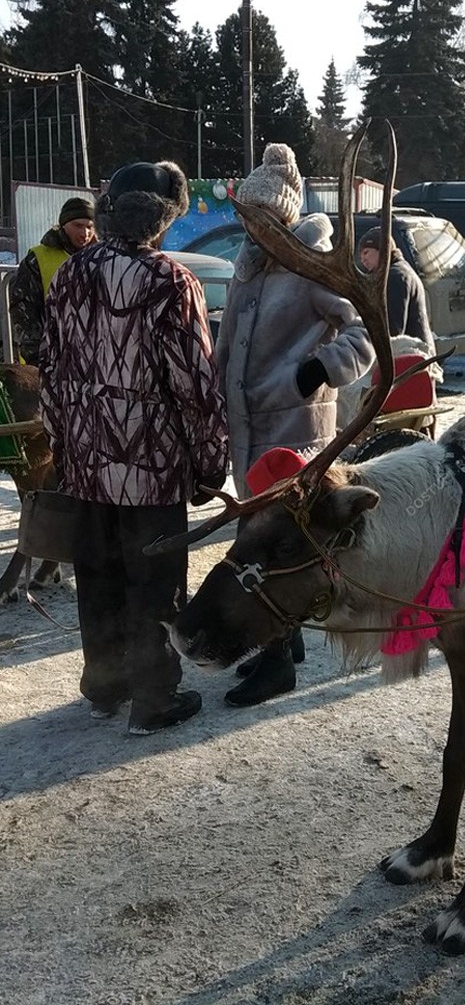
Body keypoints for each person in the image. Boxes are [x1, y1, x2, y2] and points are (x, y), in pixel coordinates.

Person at [38, 161, 228, 735]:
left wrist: (62, 445)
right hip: (153, 466)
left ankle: (105, 684)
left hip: (86, 464)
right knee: (155, 583)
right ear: (162, 218)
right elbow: (196, 385)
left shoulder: (70, 274)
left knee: (98, 576)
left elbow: (50, 371)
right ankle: (154, 698)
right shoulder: (171, 281)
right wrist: (210, 461)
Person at [217, 143, 374, 707]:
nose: (251, 226)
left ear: (283, 216)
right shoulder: (247, 267)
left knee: (276, 547)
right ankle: (284, 642)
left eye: (261, 215)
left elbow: (364, 334)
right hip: (246, 430)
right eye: (247, 215)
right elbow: (228, 345)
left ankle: (277, 662)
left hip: (294, 431)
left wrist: (317, 371)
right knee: (258, 535)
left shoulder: (313, 266)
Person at [9, 196, 96, 365]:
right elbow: (23, 309)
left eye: (90, 227)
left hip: (93, 360)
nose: (85, 233)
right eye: (78, 226)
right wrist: (36, 357)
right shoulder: (37, 259)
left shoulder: (101, 258)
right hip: (49, 358)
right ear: (63, 225)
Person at [358, 226, 436, 357]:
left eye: (366, 252)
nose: (362, 259)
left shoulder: (395, 276)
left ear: (383, 250)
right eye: (360, 255)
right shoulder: (401, 270)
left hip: (410, 357)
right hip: (418, 353)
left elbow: (393, 329)